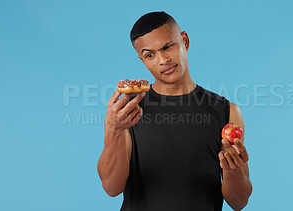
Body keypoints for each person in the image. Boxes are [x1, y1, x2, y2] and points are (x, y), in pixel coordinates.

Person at [97, 11, 252, 211]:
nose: (162, 60)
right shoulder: (129, 112)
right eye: (149, 55)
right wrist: (114, 130)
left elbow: (239, 202)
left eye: (168, 46)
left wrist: (233, 171)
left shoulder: (226, 111)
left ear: (185, 41)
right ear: (142, 60)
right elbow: (111, 187)